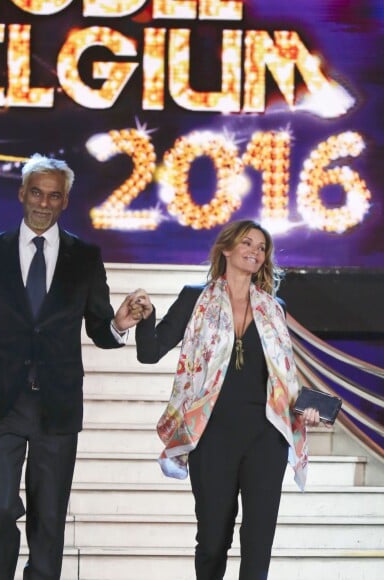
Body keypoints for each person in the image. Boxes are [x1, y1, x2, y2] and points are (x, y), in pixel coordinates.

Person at [0, 153, 141, 580]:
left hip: (57, 407)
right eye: (37, 193)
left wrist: (119, 323)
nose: (44, 203)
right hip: (1, 403)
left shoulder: (85, 256)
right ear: (22, 194)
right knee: (2, 507)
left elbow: (99, 327)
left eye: (54, 196)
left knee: (49, 520)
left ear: (65, 202)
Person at [129, 219, 322, 580]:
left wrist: (304, 410)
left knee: (258, 537)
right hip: (212, 433)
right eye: (247, 243)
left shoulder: (273, 307)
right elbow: (150, 352)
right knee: (213, 538)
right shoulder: (195, 297)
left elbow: (282, 375)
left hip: (266, 435)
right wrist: (145, 318)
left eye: (261, 248)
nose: (254, 251)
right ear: (227, 248)